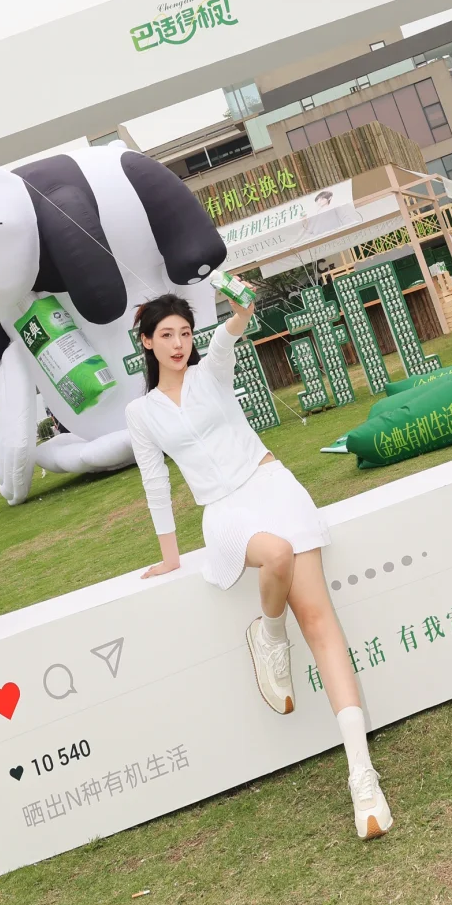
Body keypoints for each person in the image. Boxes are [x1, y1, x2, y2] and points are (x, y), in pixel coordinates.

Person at [124, 287, 393, 840]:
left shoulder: (211, 373)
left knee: (320, 623)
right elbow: (155, 481)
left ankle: (362, 778)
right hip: (224, 512)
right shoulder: (141, 413)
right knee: (276, 554)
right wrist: (169, 555)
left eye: (185, 333)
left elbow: (231, 333)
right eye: (166, 335)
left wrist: (240, 306)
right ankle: (270, 634)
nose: (178, 344)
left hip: (271, 485)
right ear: (147, 342)